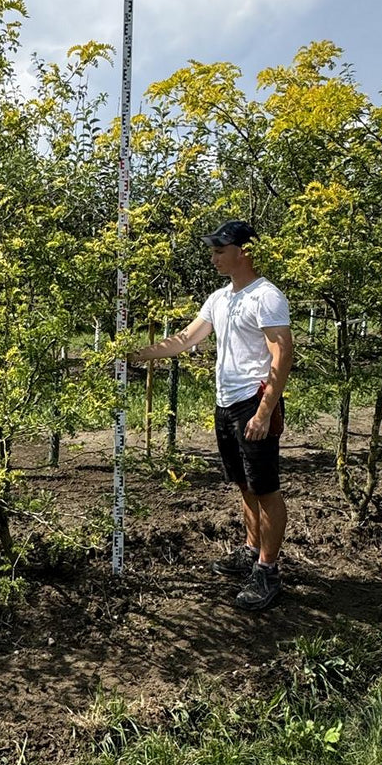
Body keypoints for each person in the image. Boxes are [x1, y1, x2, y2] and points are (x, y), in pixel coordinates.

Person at [132, 220, 294, 610]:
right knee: (244, 484)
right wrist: (136, 354)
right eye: (214, 251)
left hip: (253, 404)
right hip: (226, 405)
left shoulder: (266, 296)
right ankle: (251, 551)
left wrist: (265, 410)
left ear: (244, 251)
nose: (214, 257)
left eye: (221, 250)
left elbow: (282, 354)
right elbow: (187, 339)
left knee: (265, 489)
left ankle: (268, 572)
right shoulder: (220, 298)